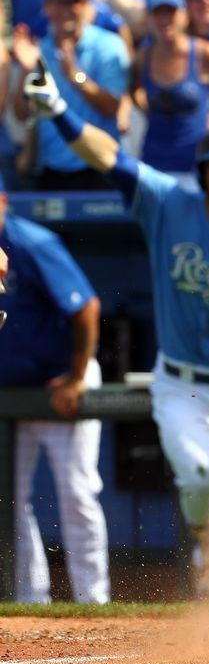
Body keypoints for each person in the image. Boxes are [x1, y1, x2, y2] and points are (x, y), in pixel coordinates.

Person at [23, 71, 209, 600]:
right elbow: (108, 157)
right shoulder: (168, 204)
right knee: (199, 473)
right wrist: (58, 110)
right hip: (182, 380)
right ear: (203, 175)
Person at [0, 171, 108, 605]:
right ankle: (30, 598)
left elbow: (85, 308)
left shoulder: (31, 243)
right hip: (13, 394)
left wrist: (78, 377)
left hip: (60, 382)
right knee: (9, 501)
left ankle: (94, 599)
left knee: (77, 492)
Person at [9, 0, 129, 192]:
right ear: (47, 7)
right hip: (52, 170)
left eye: (73, 1)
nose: (66, 9)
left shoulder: (109, 46)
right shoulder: (39, 50)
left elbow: (112, 107)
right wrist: (27, 70)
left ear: (85, 6)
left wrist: (75, 76)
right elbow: (22, 114)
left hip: (100, 167)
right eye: (59, 1)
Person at [135, 0, 209, 181]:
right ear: (148, 20)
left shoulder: (204, 53)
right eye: (158, 13)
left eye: (170, 12)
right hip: (154, 162)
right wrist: (142, 106)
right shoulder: (142, 58)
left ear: (184, 16)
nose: (165, 20)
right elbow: (132, 89)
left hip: (195, 163)